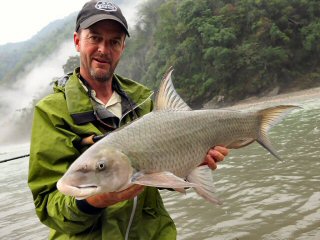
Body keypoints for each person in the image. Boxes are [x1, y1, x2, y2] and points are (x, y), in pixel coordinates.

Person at [28, 1, 229, 239]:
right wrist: (95, 201)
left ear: (122, 47)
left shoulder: (143, 101)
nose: (104, 49)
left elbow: (159, 173)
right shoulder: (51, 112)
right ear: (77, 41)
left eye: (114, 41)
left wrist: (191, 164)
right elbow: (48, 207)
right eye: (95, 38)